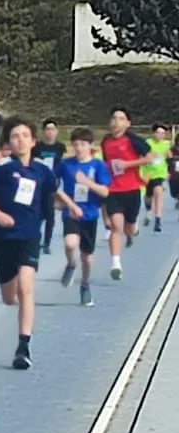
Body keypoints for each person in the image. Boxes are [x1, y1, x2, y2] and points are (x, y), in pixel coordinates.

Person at [0, 118, 55, 371]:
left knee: (27, 288)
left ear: (33, 141)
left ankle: (23, 346)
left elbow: (53, 194)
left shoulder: (42, 171)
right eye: (15, 136)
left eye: (25, 135)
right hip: (4, 239)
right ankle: (19, 309)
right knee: (9, 297)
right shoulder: (1, 169)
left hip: (29, 236)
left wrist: (70, 208)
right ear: (9, 143)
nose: (21, 140)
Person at [56, 127, 108, 309]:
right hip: (71, 212)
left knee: (87, 256)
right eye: (76, 144)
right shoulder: (66, 164)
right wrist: (63, 202)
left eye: (83, 145)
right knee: (70, 244)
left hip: (90, 214)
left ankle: (85, 285)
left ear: (90, 146)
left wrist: (87, 182)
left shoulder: (98, 165)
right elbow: (54, 185)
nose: (79, 148)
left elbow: (105, 191)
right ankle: (71, 264)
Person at [99, 108, 150, 276]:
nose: (117, 122)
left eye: (121, 119)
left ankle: (133, 230)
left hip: (132, 189)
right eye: (114, 118)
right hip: (113, 189)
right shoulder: (105, 141)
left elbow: (153, 157)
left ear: (128, 123)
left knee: (129, 229)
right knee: (115, 226)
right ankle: (116, 264)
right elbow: (107, 163)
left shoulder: (134, 140)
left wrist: (128, 165)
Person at [32, 119, 65, 255]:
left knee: (50, 215)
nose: (50, 132)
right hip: (38, 184)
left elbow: (60, 166)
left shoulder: (60, 147)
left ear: (56, 132)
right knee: (37, 214)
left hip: (52, 184)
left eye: (53, 129)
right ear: (44, 131)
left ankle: (47, 243)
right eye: (48, 129)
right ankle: (35, 240)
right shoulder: (37, 147)